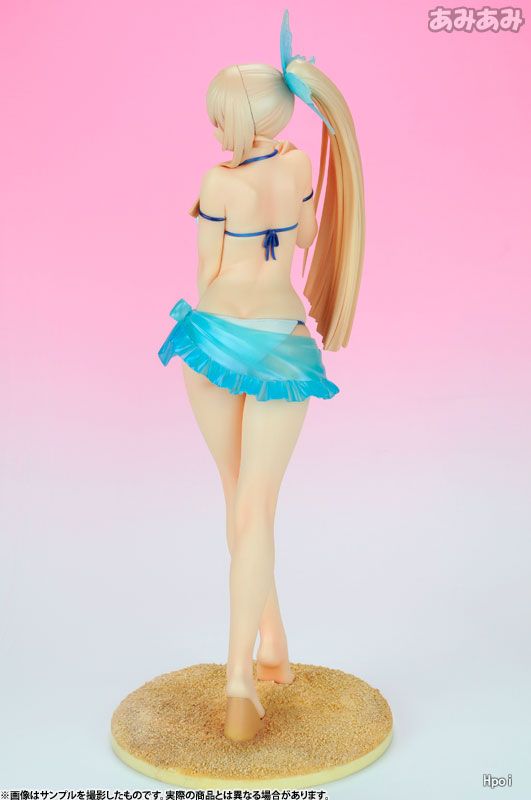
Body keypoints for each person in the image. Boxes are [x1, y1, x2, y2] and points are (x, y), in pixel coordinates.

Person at [158, 10, 365, 741]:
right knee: (257, 507)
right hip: (282, 344)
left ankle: (239, 677)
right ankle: (268, 647)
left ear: (243, 118)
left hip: (217, 341)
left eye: (221, 116)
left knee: (237, 496)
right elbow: (305, 236)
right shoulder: (301, 165)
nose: (215, 128)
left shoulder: (219, 184)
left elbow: (207, 270)